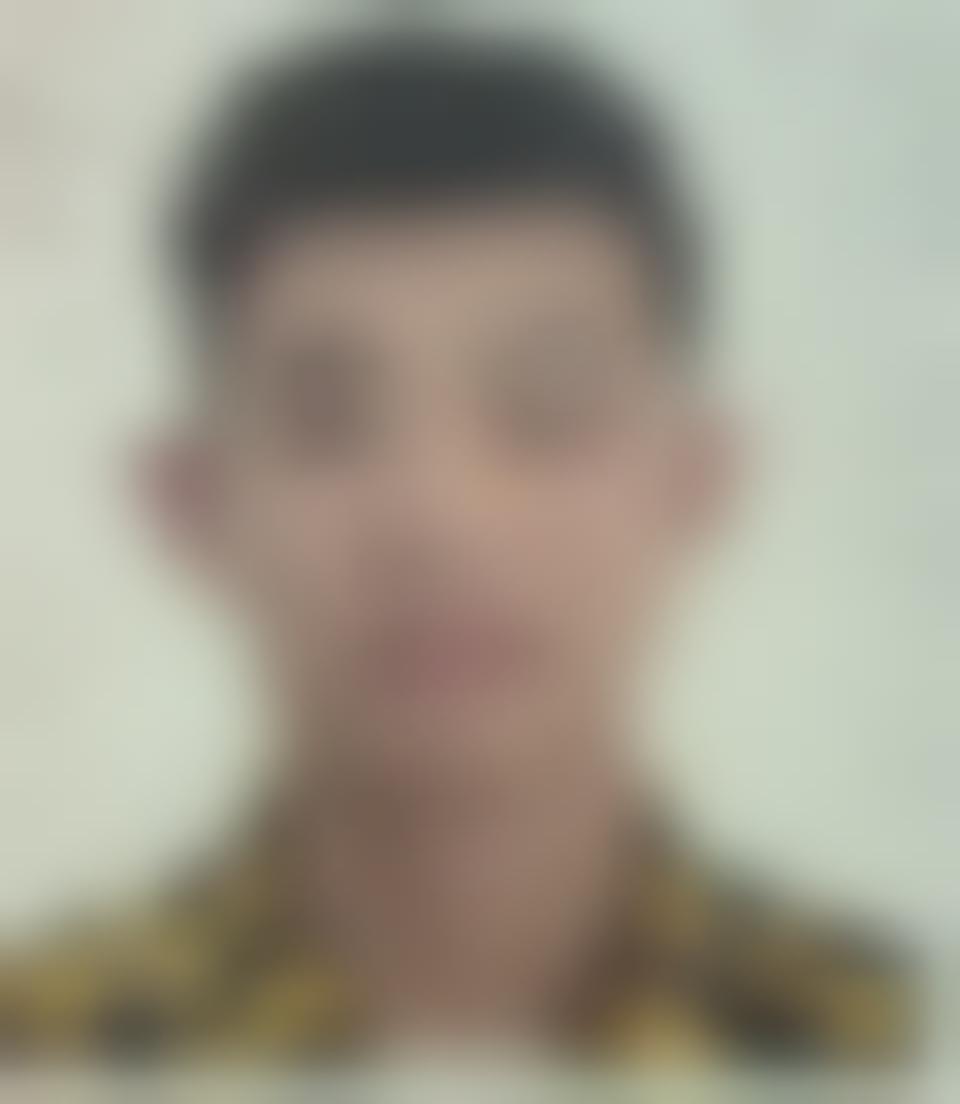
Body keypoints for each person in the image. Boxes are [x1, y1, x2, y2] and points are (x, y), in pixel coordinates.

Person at [1, 32, 912, 1067]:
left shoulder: (876, 1036)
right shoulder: (46, 1045)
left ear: (696, 482)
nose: (440, 517)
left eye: (547, 411)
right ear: (192, 501)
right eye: (327, 422)